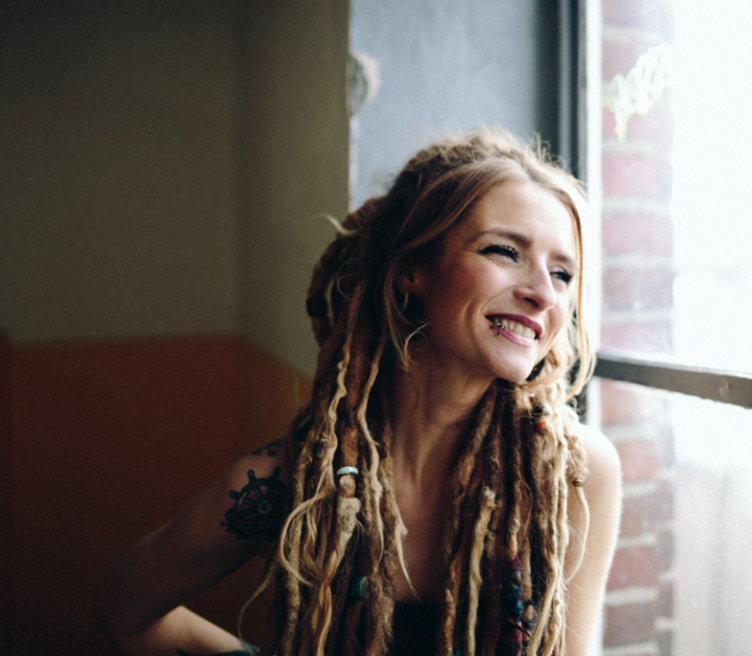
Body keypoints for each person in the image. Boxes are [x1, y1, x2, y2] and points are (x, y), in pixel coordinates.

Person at [94, 128, 622, 656]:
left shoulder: (574, 474)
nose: (543, 294)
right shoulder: (287, 486)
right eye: (504, 251)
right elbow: (125, 613)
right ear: (412, 268)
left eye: (562, 274)